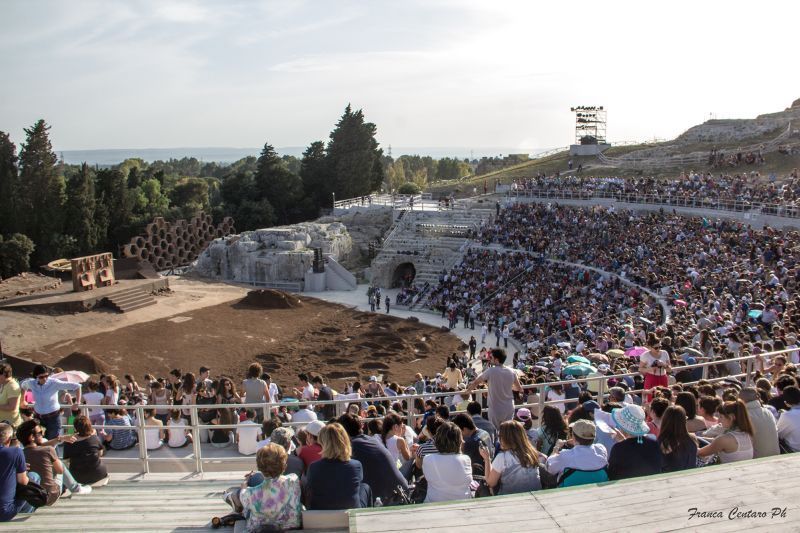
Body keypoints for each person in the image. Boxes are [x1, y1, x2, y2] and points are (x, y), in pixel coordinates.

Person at [224, 443, 302, 531]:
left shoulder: (249, 494)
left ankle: (228, 497)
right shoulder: (293, 481)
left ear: (259, 467)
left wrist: (245, 483)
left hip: (259, 529)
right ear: (284, 465)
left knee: (243, 503)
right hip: (290, 528)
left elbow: (243, 493)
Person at [17, 420, 92, 506]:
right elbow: (60, 471)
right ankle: (76, 488)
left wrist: (60, 439)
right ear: (32, 437)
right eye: (40, 433)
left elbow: (36, 448)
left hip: (33, 497)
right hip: (50, 496)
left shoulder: (19, 455)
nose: (43, 434)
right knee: (59, 464)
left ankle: (74, 487)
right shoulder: (48, 450)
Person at [337, 413, 408, 502]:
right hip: (401, 491)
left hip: (388, 500)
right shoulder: (371, 440)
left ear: (342, 432)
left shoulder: (351, 446)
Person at [304, 422, 372, 510]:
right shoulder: (356, 466)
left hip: (320, 513)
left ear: (323, 443)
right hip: (349, 513)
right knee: (365, 487)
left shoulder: (313, 467)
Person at [20, 364, 82, 439]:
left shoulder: (54, 383)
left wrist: (77, 402)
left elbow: (77, 386)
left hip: (53, 418)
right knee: (39, 442)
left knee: (52, 443)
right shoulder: (31, 383)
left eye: (46, 376)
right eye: (41, 377)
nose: (45, 379)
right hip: (38, 418)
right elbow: (23, 386)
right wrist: (22, 400)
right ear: (36, 376)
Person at [465, 349, 522, 429]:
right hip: (509, 407)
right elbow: (519, 389)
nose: (489, 358)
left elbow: (476, 382)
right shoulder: (512, 371)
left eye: (491, 357)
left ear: (496, 360)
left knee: (495, 431)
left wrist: (468, 391)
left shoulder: (491, 371)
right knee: (507, 431)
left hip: (496, 408)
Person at [481, 420, 542, 495]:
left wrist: (487, 459)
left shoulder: (502, 457)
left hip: (511, 499)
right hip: (535, 496)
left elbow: (490, 483)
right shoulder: (532, 453)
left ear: (505, 438)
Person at [608, 404, 662, 480]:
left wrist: (622, 442)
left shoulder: (618, 448)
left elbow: (612, 475)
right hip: (651, 485)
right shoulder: (654, 443)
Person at [422, 421, 473, 503]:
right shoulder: (466, 459)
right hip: (463, 504)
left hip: (433, 505)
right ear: (459, 441)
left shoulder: (428, 459)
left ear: (437, 440)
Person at [545, 420, 608, 485]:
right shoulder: (601, 449)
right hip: (596, 489)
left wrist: (556, 447)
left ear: (573, 437)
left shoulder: (565, 455)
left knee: (542, 467)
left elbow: (549, 468)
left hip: (569, 492)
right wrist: (578, 441)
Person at [0, 422, 39, 521]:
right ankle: (26, 512)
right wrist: (20, 468)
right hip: (4, 513)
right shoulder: (16, 452)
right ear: (9, 439)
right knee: (34, 476)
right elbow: (23, 482)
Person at [698, 400, 754, 464]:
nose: (718, 421)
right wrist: (698, 438)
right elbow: (715, 442)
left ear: (731, 417)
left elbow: (700, 452)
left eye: (721, 417)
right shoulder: (748, 434)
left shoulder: (724, 439)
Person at [62, 415, 109, 486]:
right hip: (98, 474)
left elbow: (66, 460)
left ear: (75, 428)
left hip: (78, 477)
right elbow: (101, 453)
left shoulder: (68, 442)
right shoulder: (94, 439)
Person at [739, 387, 779, 458]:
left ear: (741, 400)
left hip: (757, 459)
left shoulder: (744, 416)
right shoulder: (768, 412)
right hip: (776, 454)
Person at [657, 406, 697, 473]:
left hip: (672, 480)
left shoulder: (664, 443)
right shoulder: (692, 439)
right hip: (690, 478)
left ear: (665, 420)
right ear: (684, 421)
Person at [639, 334, 671, 402]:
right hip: (651, 378)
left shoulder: (665, 353)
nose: (659, 349)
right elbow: (640, 369)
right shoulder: (645, 355)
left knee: (664, 399)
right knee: (650, 400)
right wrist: (651, 368)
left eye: (660, 347)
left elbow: (670, 369)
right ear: (650, 347)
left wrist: (663, 365)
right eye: (656, 348)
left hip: (663, 377)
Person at [776, 385, 800, 453]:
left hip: (795, 451)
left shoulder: (787, 416)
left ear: (786, 403)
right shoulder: (787, 415)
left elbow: (778, 435)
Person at [0, 364, 22, 429]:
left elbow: (12, 407)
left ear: (3, 374)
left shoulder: (12, 386)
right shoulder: (3, 384)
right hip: (3, 424)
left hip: (11, 426)